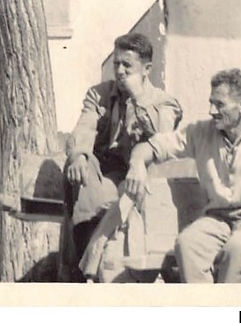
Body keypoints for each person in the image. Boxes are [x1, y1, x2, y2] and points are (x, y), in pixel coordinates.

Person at [124, 68, 241, 283]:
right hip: (219, 219)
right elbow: (153, 146)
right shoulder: (200, 132)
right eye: (210, 102)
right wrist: (137, 163)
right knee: (187, 244)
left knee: (237, 248)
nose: (211, 110)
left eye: (219, 104)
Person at [58, 32, 182, 281]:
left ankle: (88, 269)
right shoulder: (99, 94)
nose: (120, 70)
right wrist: (79, 156)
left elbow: (163, 136)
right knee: (83, 175)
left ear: (146, 69)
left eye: (127, 65)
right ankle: (81, 271)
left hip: (145, 178)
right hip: (107, 172)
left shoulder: (165, 102)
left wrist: (139, 98)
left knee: (97, 199)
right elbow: (84, 127)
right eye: (116, 63)